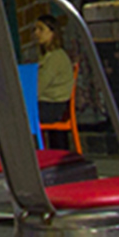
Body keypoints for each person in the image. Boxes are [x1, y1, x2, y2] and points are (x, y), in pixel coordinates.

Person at [30, 16, 75, 145]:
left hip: (53, 106)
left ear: (52, 33)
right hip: (47, 103)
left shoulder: (56, 57)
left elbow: (39, 87)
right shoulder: (46, 56)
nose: (36, 33)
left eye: (41, 29)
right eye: (35, 29)